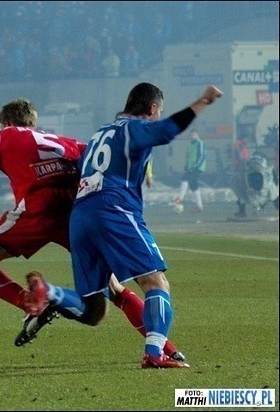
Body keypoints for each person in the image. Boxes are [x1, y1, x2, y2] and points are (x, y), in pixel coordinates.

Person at [0, 98, 185, 361]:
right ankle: (165, 347)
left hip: (37, 211)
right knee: (108, 297)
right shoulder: (67, 143)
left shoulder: (7, 136)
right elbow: (102, 161)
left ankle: (30, 301)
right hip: (78, 217)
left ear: (8, 122)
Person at [29, 83, 223, 369]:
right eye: (159, 111)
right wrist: (204, 101)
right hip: (115, 209)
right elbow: (166, 131)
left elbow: (81, 168)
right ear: (152, 109)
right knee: (155, 282)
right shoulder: (133, 128)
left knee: (91, 305)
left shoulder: (98, 135)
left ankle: (50, 292)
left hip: (81, 214)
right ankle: (154, 353)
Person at [173, 129, 206, 213]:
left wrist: (195, 166)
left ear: (198, 135)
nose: (192, 136)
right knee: (193, 184)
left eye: (194, 134)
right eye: (191, 135)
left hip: (197, 167)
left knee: (185, 179)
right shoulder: (190, 145)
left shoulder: (200, 143)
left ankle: (180, 198)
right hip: (190, 167)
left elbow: (202, 156)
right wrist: (186, 167)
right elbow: (189, 157)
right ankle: (199, 206)